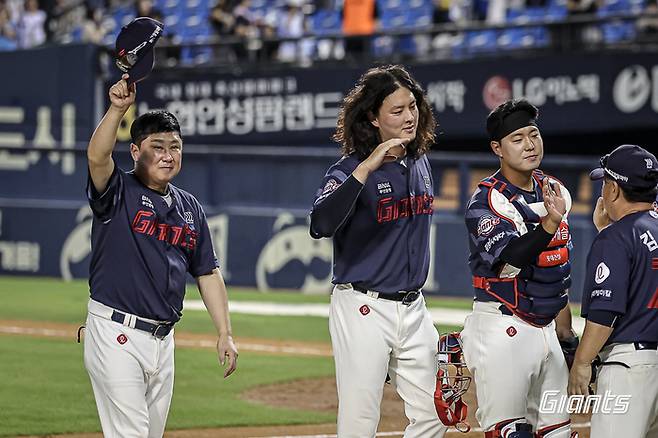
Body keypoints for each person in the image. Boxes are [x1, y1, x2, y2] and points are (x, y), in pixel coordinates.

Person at [83, 74, 238, 437]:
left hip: (163, 341)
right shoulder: (117, 190)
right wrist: (118, 109)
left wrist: (224, 333)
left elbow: (207, 272)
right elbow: (96, 155)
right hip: (116, 333)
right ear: (135, 151)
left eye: (175, 146)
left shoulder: (190, 207)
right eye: (157, 146)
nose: (168, 155)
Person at [309, 65, 446, 437]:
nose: (409, 116)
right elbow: (320, 224)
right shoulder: (349, 168)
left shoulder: (420, 162)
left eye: (413, 106)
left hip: (414, 308)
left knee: (437, 411)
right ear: (373, 117)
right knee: (359, 420)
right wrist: (365, 169)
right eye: (397, 110)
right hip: (363, 308)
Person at [461, 99, 579, 438]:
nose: (530, 144)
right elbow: (511, 256)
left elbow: (557, 269)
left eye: (534, 134)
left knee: (558, 432)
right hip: (502, 325)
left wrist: (565, 331)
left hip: (546, 329)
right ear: (497, 148)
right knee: (509, 431)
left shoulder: (555, 190)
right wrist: (548, 223)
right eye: (517, 138)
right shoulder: (487, 200)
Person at [568, 144, 658, 438]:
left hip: (629, 369)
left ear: (615, 190)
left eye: (605, 183)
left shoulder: (616, 238)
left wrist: (582, 362)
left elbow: (605, 313)